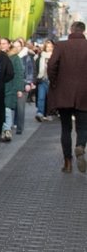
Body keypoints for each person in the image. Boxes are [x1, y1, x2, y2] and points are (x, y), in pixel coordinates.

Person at [47, 21, 87, 173]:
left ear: (71, 30)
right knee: (83, 126)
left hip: (64, 93)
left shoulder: (61, 45)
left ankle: (67, 163)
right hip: (85, 93)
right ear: (83, 31)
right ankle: (81, 146)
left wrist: (55, 81)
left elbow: (51, 65)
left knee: (65, 128)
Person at [35, 39, 54, 121]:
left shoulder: (55, 57)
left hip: (52, 80)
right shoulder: (41, 57)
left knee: (50, 98)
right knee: (41, 97)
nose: (49, 48)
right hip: (42, 79)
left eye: (51, 47)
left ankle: (49, 113)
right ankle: (40, 113)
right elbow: (36, 68)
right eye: (47, 46)